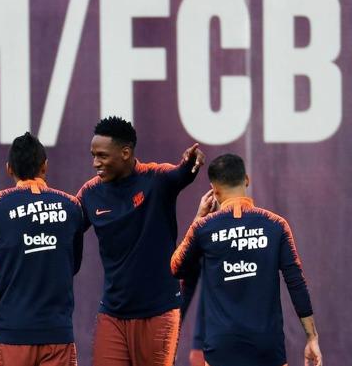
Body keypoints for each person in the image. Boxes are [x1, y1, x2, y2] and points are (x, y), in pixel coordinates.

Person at [171, 154, 322, 366]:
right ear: (247, 180)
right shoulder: (276, 225)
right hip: (266, 348)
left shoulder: (203, 228)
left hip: (221, 348)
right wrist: (311, 338)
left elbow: (176, 267)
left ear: (214, 190)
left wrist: (198, 219)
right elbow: (296, 282)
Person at [76, 116, 204, 366]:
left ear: (125, 152)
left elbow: (182, 173)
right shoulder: (90, 193)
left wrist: (191, 163)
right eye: (93, 155)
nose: (95, 163)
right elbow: (64, 229)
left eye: (102, 156)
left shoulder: (156, 179)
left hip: (159, 312)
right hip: (113, 313)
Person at [0, 132, 84, 366]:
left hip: (10, 333)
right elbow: (74, 264)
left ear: (9, 169)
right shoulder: (71, 205)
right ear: (45, 166)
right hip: (56, 333)